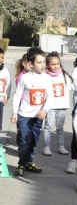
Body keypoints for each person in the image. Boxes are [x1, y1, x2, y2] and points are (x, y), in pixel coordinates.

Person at [11, 47, 54, 176]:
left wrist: (45, 109)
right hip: (24, 115)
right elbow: (17, 95)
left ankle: (29, 163)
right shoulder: (25, 78)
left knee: (34, 141)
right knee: (25, 141)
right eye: (39, 62)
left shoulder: (47, 78)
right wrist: (14, 112)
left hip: (38, 116)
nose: (43, 65)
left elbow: (50, 96)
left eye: (44, 62)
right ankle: (21, 164)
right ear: (31, 64)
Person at [43, 52, 74, 156]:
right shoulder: (45, 76)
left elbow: (71, 87)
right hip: (50, 106)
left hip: (62, 106)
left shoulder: (64, 75)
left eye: (58, 64)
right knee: (48, 127)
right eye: (53, 64)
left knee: (60, 128)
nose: (56, 66)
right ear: (47, 65)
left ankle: (61, 146)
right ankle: (46, 147)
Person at [14, 53, 32, 145]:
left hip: (29, 105)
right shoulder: (22, 77)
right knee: (21, 128)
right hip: (22, 104)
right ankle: (21, 145)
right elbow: (19, 94)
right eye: (30, 64)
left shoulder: (32, 75)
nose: (32, 66)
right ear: (24, 64)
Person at [0, 48, 11, 132]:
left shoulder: (5, 71)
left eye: (2, 57)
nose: (1, 60)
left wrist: (6, 97)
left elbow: (8, 84)